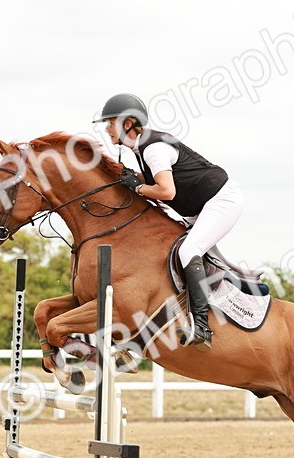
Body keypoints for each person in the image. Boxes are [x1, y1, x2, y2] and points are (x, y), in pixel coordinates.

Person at [93, 92, 243, 350]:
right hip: (201, 206)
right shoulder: (142, 148)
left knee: (188, 250)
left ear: (127, 123)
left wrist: (138, 188)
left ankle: (202, 327)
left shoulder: (153, 149)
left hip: (221, 201)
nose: (107, 129)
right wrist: (135, 179)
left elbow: (166, 192)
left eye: (110, 123)